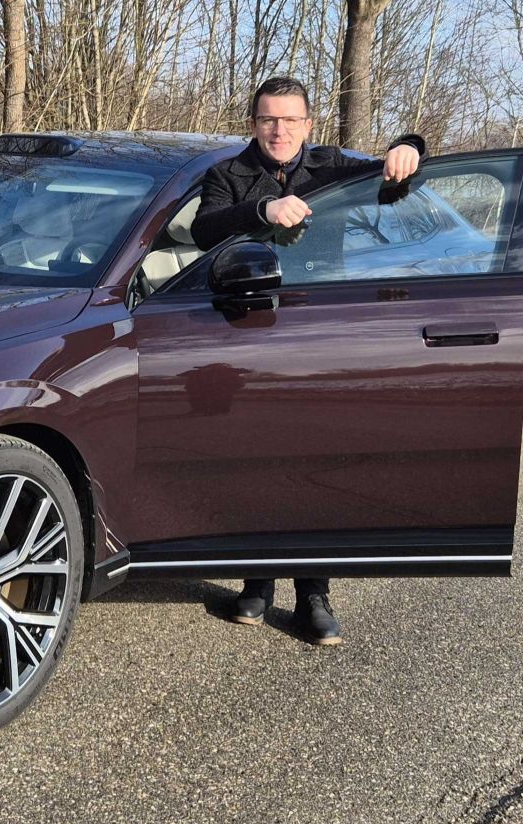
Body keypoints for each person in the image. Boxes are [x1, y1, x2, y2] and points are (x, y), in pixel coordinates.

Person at [190, 76, 427, 646]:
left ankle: (314, 593)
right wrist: (263, 209)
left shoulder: (332, 168)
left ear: (308, 125)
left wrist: (410, 146)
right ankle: (257, 579)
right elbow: (203, 229)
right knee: (252, 455)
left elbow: (393, 183)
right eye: (268, 119)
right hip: (246, 325)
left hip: (317, 329)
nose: (279, 130)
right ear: (254, 123)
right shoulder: (227, 175)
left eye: (290, 120)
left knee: (314, 458)